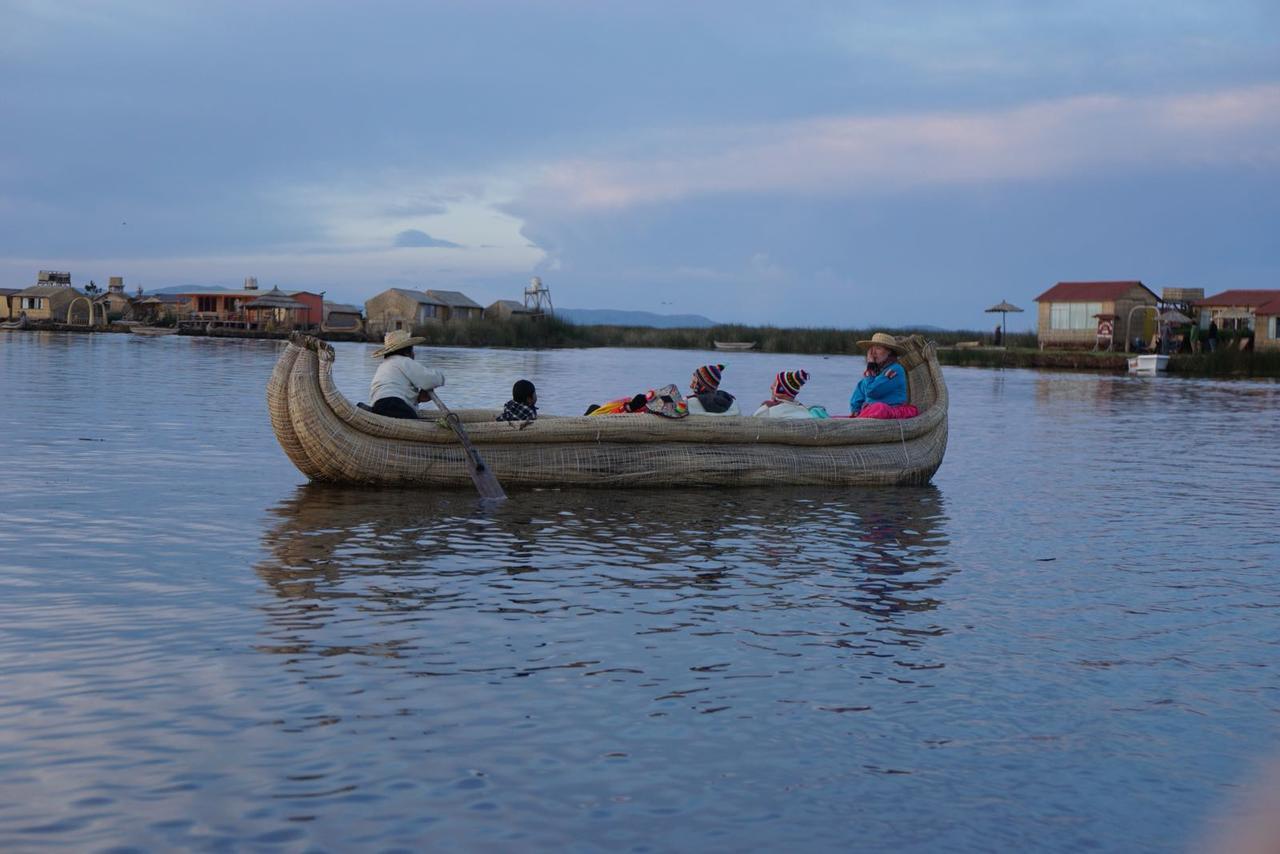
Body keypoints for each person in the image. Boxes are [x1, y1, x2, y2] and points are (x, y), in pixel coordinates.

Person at [366, 330, 444, 419]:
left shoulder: (383, 366)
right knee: (415, 427)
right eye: (413, 350)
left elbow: (396, 389)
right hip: (394, 403)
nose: (414, 354)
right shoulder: (404, 361)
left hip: (377, 406)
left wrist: (417, 399)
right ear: (407, 352)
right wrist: (441, 377)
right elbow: (429, 380)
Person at [849, 332, 913, 418]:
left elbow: (871, 391)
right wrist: (855, 409)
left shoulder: (895, 370)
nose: (873, 353)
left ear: (889, 352)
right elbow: (861, 388)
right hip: (871, 412)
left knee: (879, 407)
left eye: (878, 348)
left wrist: (870, 366)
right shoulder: (876, 371)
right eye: (872, 349)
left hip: (888, 411)